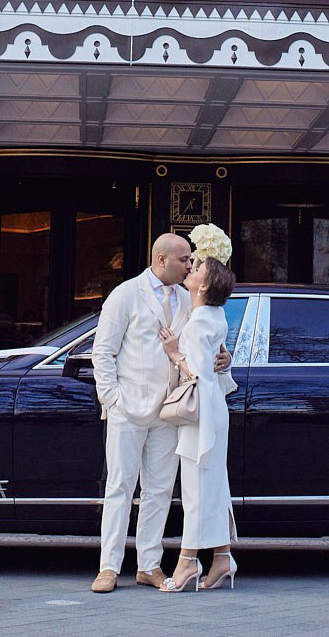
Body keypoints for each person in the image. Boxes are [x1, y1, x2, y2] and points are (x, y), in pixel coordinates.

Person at [89, 233, 232, 593]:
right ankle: (109, 566)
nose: (190, 265)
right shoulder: (125, 294)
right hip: (129, 408)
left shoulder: (190, 299)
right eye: (184, 260)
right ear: (161, 260)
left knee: (160, 490)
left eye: (191, 261)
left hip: (172, 411)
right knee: (119, 486)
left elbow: (209, 348)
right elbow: (102, 352)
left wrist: (224, 359)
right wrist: (113, 400)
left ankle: (148, 564)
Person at [157, 242, 238, 592]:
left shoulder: (198, 324)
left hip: (201, 413)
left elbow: (199, 375)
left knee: (196, 490)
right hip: (213, 411)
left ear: (204, 286)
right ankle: (221, 557)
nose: (192, 268)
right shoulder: (211, 317)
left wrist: (175, 354)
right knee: (213, 485)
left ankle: (187, 562)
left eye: (199, 268)